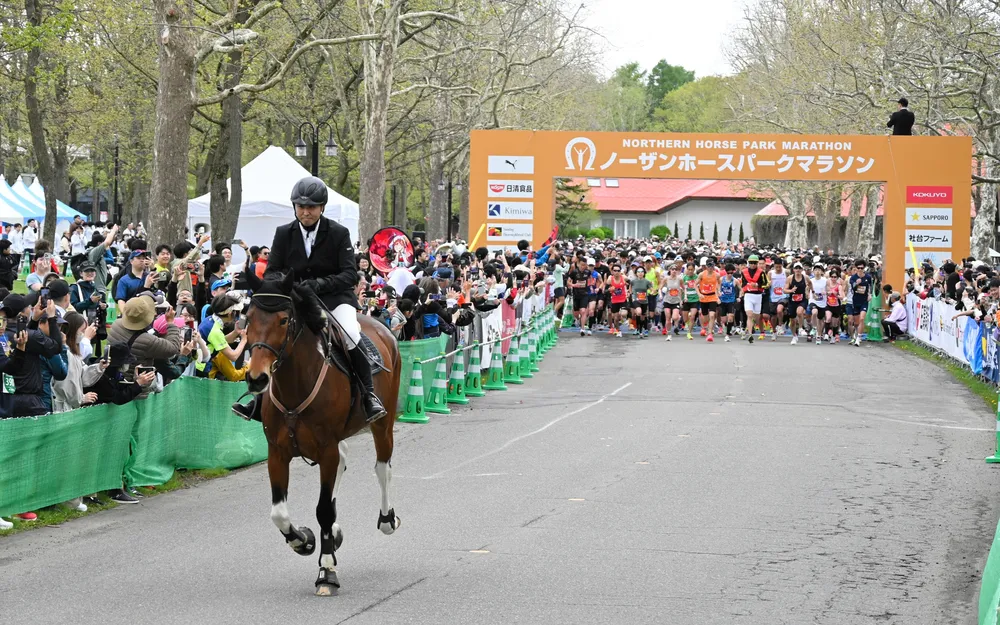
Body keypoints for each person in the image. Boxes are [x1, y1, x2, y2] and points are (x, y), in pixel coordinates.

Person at [234, 175, 387, 422]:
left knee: (349, 334)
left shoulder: (338, 232)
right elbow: (272, 270)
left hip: (334, 298)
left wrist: (318, 284)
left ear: (321, 208)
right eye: (301, 207)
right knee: (274, 338)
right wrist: (289, 285)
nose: (305, 212)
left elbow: (349, 273)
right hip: (296, 299)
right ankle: (258, 399)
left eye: (311, 207)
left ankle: (368, 396)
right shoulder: (284, 233)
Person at [0, 293, 63, 417]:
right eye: (28, 306)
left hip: (6, 401)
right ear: (21, 314)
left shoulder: (4, 335)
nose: (31, 308)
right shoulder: (30, 336)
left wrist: (34, 320)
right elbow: (56, 347)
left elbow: (26, 338)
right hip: (29, 402)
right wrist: (51, 317)